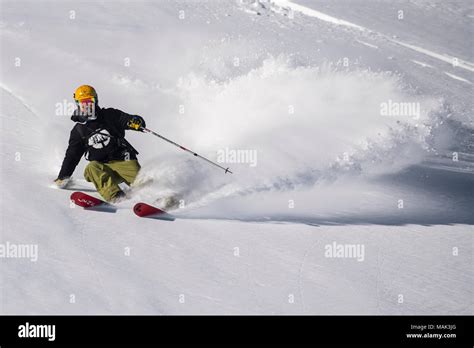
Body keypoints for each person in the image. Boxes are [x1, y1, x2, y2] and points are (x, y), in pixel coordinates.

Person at [54, 85, 146, 202]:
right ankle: (116, 197)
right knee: (91, 167)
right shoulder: (78, 130)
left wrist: (135, 122)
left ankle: (161, 198)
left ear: (95, 101)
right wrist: (63, 177)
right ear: (78, 104)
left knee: (144, 185)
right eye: (83, 103)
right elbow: (72, 155)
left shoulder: (110, 115)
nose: (87, 106)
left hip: (124, 161)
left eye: (90, 102)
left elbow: (128, 119)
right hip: (102, 168)